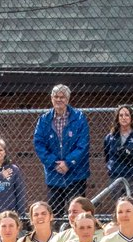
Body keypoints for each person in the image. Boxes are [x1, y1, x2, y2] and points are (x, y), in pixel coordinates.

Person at [33, 84, 91, 217]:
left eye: (62, 97)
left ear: (68, 99)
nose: (59, 100)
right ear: (51, 99)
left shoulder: (79, 118)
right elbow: (39, 144)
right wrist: (54, 163)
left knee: (77, 212)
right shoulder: (44, 120)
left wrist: (68, 162)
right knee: (55, 214)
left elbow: (83, 144)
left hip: (76, 174)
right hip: (54, 175)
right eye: (56, 97)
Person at [103, 105, 133, 185]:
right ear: (117, 118)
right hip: (116, 178)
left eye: (127, 115)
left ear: (131, 117)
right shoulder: (110, 138)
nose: (123, 117)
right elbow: (107, 156)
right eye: (121, 115)